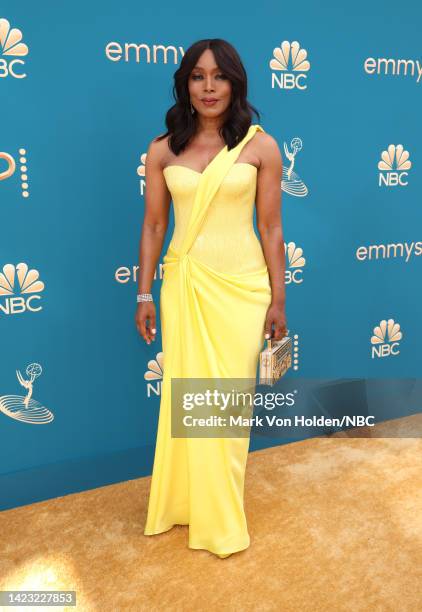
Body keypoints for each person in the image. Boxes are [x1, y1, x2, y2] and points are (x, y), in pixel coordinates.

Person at [135, 38, 286, 559]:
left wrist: (278, 300)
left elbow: (270, 228)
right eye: (198, 77)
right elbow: (155, 225)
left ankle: (221, 520)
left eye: (219, 76)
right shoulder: (161, 149)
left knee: (228, 408)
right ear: (185, 84)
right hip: (185, 286)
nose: (208, 87)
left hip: (243, 290)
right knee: (190, 400)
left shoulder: (261, 147)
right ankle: (184, 504)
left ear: (235, 83)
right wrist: (143, 292)